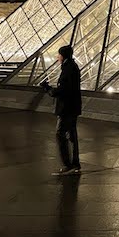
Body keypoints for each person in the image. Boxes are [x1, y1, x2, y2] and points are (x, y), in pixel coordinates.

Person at [44, 46, 82, 175]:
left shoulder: (68, 68)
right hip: (73, 107)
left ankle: (68, 164)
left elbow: (63, 90)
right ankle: (75, 164)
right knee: (72, 136)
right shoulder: (72, 66)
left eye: (58, 54)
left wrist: (48, 89)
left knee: (60, 134)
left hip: (66, 108)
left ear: (63, 55)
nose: (57, 57)